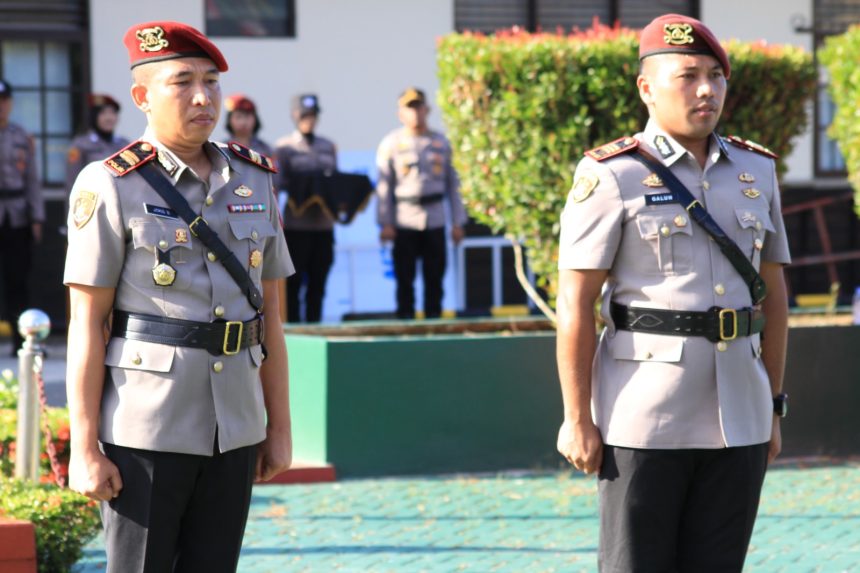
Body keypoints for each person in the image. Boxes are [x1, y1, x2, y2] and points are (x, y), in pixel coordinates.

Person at [555, 14, 790, 572]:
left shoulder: (756, 169)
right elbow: (574, 303)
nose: (706, 89)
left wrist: (774, 407)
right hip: (644, 415)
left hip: (742, 413)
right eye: (687, 75)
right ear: (646, 88)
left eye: (715, 75)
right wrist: (576, 418)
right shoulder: (612, 175)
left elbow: (776, 298)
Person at [64, 21, 294, 572]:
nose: (202, 96)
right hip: (148, 427)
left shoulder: (253, 179)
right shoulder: (111, 183)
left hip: (233, 425)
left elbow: (273, 320)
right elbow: (87, 323)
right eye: (182, 81)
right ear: (142, 97)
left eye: (211, 82)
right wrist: (84, 447)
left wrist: (279, 429)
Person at [375, 87, 467, 319]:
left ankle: (433, 325)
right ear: (401, 114)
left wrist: (458, 222)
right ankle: (405, 326)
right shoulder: (391, 143)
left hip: (435, 218)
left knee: (434, 279)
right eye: (410, 108)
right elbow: (384, 187)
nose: (415, 113)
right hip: (404, 219)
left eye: (418, 107)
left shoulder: (441, 142)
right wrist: (385, 223)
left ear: (427, 110)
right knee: (405, 281)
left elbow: (452, 185)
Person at [275, 94, 337, 323]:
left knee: (318, 282)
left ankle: (315, 326)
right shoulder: (284, 147)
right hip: (297, 226)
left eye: (313, 115)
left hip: (323, 225)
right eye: (304, 116)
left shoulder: (328, 146)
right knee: (293, 283)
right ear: (295, 116)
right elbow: (277, 186)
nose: (309, 120)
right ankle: (293, 331)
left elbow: (334, 185)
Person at [0, 79, 43, 354]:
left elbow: (32, 180)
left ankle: (21, 341)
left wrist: (37, 217)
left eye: (4, 100)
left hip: (16, 216)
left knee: (18, 280)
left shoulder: (21, 137)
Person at [66, 94, 130, 193]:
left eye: (112, 113)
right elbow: (72, 181)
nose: (109, 118)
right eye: (103, 113)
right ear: (94, 116)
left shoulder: (124, 145)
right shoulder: (80, 145)